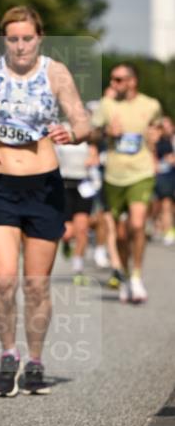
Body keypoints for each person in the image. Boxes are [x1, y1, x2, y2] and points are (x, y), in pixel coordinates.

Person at [0, 6, 89, 397]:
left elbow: (83, 121)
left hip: (44, 187)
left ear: (40, 38)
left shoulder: (56, 73)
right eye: (12, 39)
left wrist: (72, 133)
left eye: (27, 38)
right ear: (4, 41)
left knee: (36, 286)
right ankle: (8, 354)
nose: (19, 46)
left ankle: (35, 360)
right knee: (3, 280)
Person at [92, 64, 162, 303]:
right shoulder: (107, 105)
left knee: (138, 223)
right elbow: (91, 133)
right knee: (120, 234)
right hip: (114, 176)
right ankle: (122, 273)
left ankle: (137, 276)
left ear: (132, 81)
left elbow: (158, 126)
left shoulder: (151, 105)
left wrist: (156, 136)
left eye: (118, 79)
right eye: (112, 79)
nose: (113, 83)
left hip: (141, 173)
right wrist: (105, 133)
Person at [55, 141, 101, 285]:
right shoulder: (60, 138)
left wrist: (93, 160)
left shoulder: (89, 142)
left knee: (82, 229)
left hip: (83, 185)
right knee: (68, 232)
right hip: (64, 186)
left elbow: (96, 159)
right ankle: (67, 243)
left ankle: (78, 267)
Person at [154, 117, 175, 246]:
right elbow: (168, 159)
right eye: (164, 126)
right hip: (165, 177)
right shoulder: (161, 142)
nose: (166, 129)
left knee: (171, 207)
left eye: (168, 126)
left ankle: (163, 226)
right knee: (166, 205)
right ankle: (168, 231)